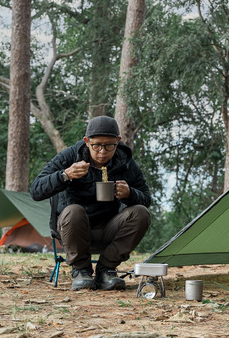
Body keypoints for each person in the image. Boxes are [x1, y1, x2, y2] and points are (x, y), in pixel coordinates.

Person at [31, 116, 152, 291]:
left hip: (108, 228)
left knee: (141, 213)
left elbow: (146, 199)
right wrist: (65, 175)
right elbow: (36, 190)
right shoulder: (70, 156)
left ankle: (106, 269)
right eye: (96, 145)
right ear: (87, 141)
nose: (102, 151)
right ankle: (81, 270)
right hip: (74, 231)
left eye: (109, 145)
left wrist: (130, 193)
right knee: (74, 211)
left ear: (118, 142)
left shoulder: (125, 162)